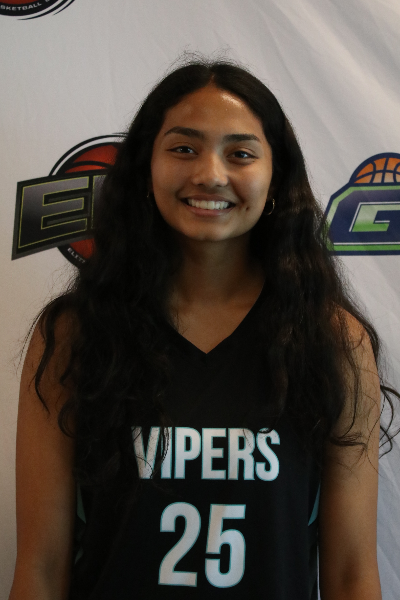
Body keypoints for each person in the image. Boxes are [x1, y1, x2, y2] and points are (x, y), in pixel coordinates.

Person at [9, 57, 398, 600]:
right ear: (146, 167)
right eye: (184, 149)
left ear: (276, 177)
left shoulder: (333, 341)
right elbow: (41, 569)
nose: (211, 174)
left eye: (240, 153)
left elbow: (353, 574)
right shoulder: (75, 334)